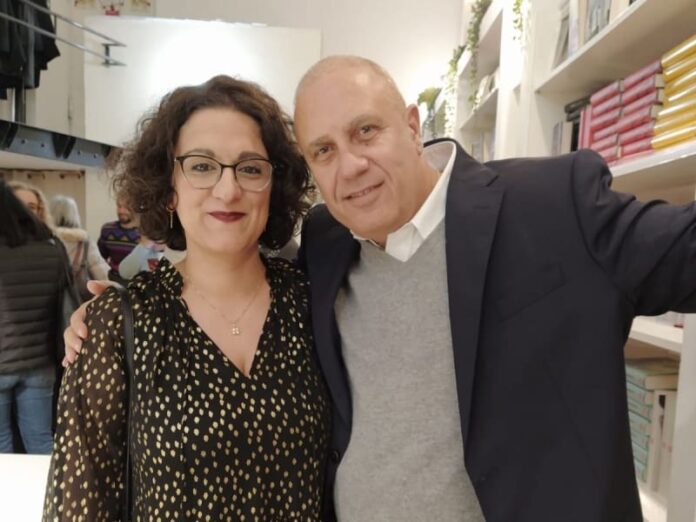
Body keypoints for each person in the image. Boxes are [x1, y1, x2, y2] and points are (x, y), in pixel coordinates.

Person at [64, 56, 696, 521]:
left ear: (413, 125)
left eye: (366, 131)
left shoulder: (552, 206)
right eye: (324, 150)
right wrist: (104, 317)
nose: (351, 166)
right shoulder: (325, 249)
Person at [44, 75, 330, 521]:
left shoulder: (314, 305)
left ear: (273, 186)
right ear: (168, 189)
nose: (227, 189)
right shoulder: (117, 325)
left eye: (250, 168)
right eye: (201, 166)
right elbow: (81, 502)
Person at [0, 180, 65, 455]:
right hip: (40, 362)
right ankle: (50, 485)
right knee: (41, 440)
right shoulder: (52, 247)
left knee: (1, 444)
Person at [50, 195, 110, 300]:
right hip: (78, 301)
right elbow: (103, 275)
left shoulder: (43, 241)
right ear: (75, 215)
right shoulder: (84, 243)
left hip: (47, 302)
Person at [97, 196, 141, 277]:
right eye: (119, 206)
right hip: (112, 278)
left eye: (126, 207)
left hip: (137, 280)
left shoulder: (145, 233)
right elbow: (99, 259)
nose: (121, 211)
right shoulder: (107, 229)